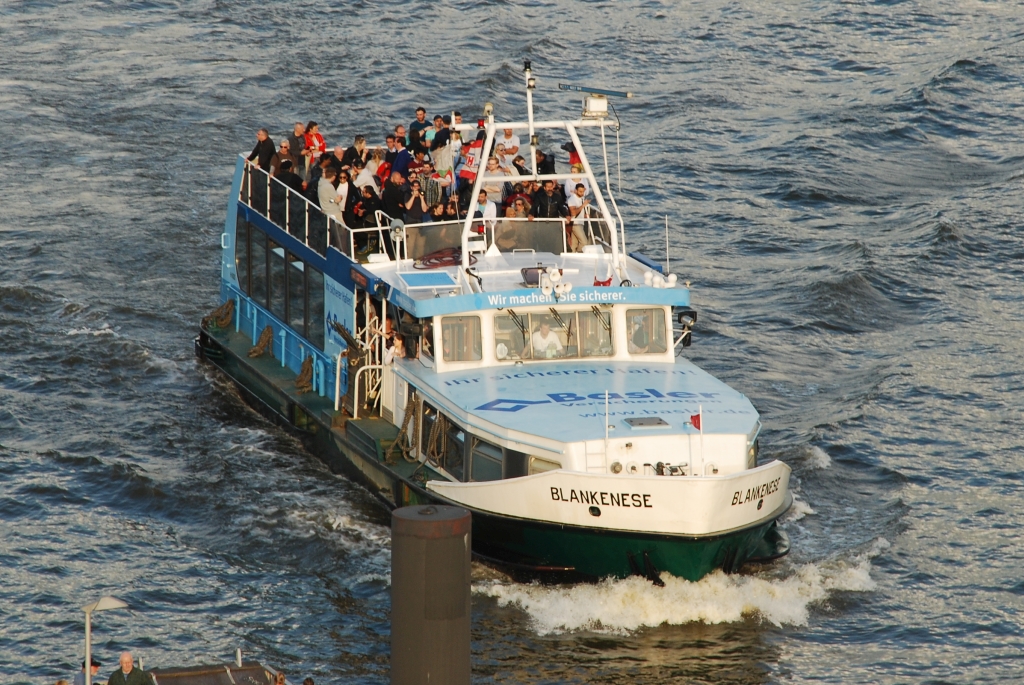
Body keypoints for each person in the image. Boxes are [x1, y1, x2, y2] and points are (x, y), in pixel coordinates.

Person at [566, 182, 591, 251]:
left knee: (574, 244)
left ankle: (572, 255)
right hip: (575, 223)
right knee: (584, 242)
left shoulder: (580, 199)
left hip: (580, 222)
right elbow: (573, 212)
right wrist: (583, 205)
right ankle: (579, 253)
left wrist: (584, 216)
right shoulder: (572, 199)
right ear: (576, 190)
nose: (582, 193)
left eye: (583, 191)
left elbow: (578, 211)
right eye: (580, 191)